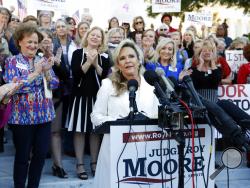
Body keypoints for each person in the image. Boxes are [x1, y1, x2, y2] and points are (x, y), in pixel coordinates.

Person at [91, 39, 159, 188]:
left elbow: (158, 114)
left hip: (146, 153)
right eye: (122, 58)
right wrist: (120, 122)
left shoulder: (152, 86)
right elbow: (96, 117)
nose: (127, 61)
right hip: (115, 151)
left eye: (131, 56)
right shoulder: (108, 85)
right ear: (118, 65)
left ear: (139, 59)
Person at [3, 23, 59, 188]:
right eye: (29, 42)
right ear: (20, 42)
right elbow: (13, 87)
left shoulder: (42, 60)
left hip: (44, 115)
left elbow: (55, 84)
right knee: (22, 156)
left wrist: (47, 71)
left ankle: (33, 185)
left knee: (40, 155)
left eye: (35, 42)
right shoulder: (12, 61)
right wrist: (35, 74)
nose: (33, 45)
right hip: (21, 117)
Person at [67, 26, 111, 180]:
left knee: (94, 131)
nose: (95, 38)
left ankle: (94, 163)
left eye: (98, 36)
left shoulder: (104, 56)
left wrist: (95, 63)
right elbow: (76, 74)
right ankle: (79, 164)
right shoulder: (77, 53)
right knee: (79, 131)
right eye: (92, 35)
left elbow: (105, 76)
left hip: (97, 98)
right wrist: (88, 62)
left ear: (101, 40)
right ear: (87, 36)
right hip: (79, 97)